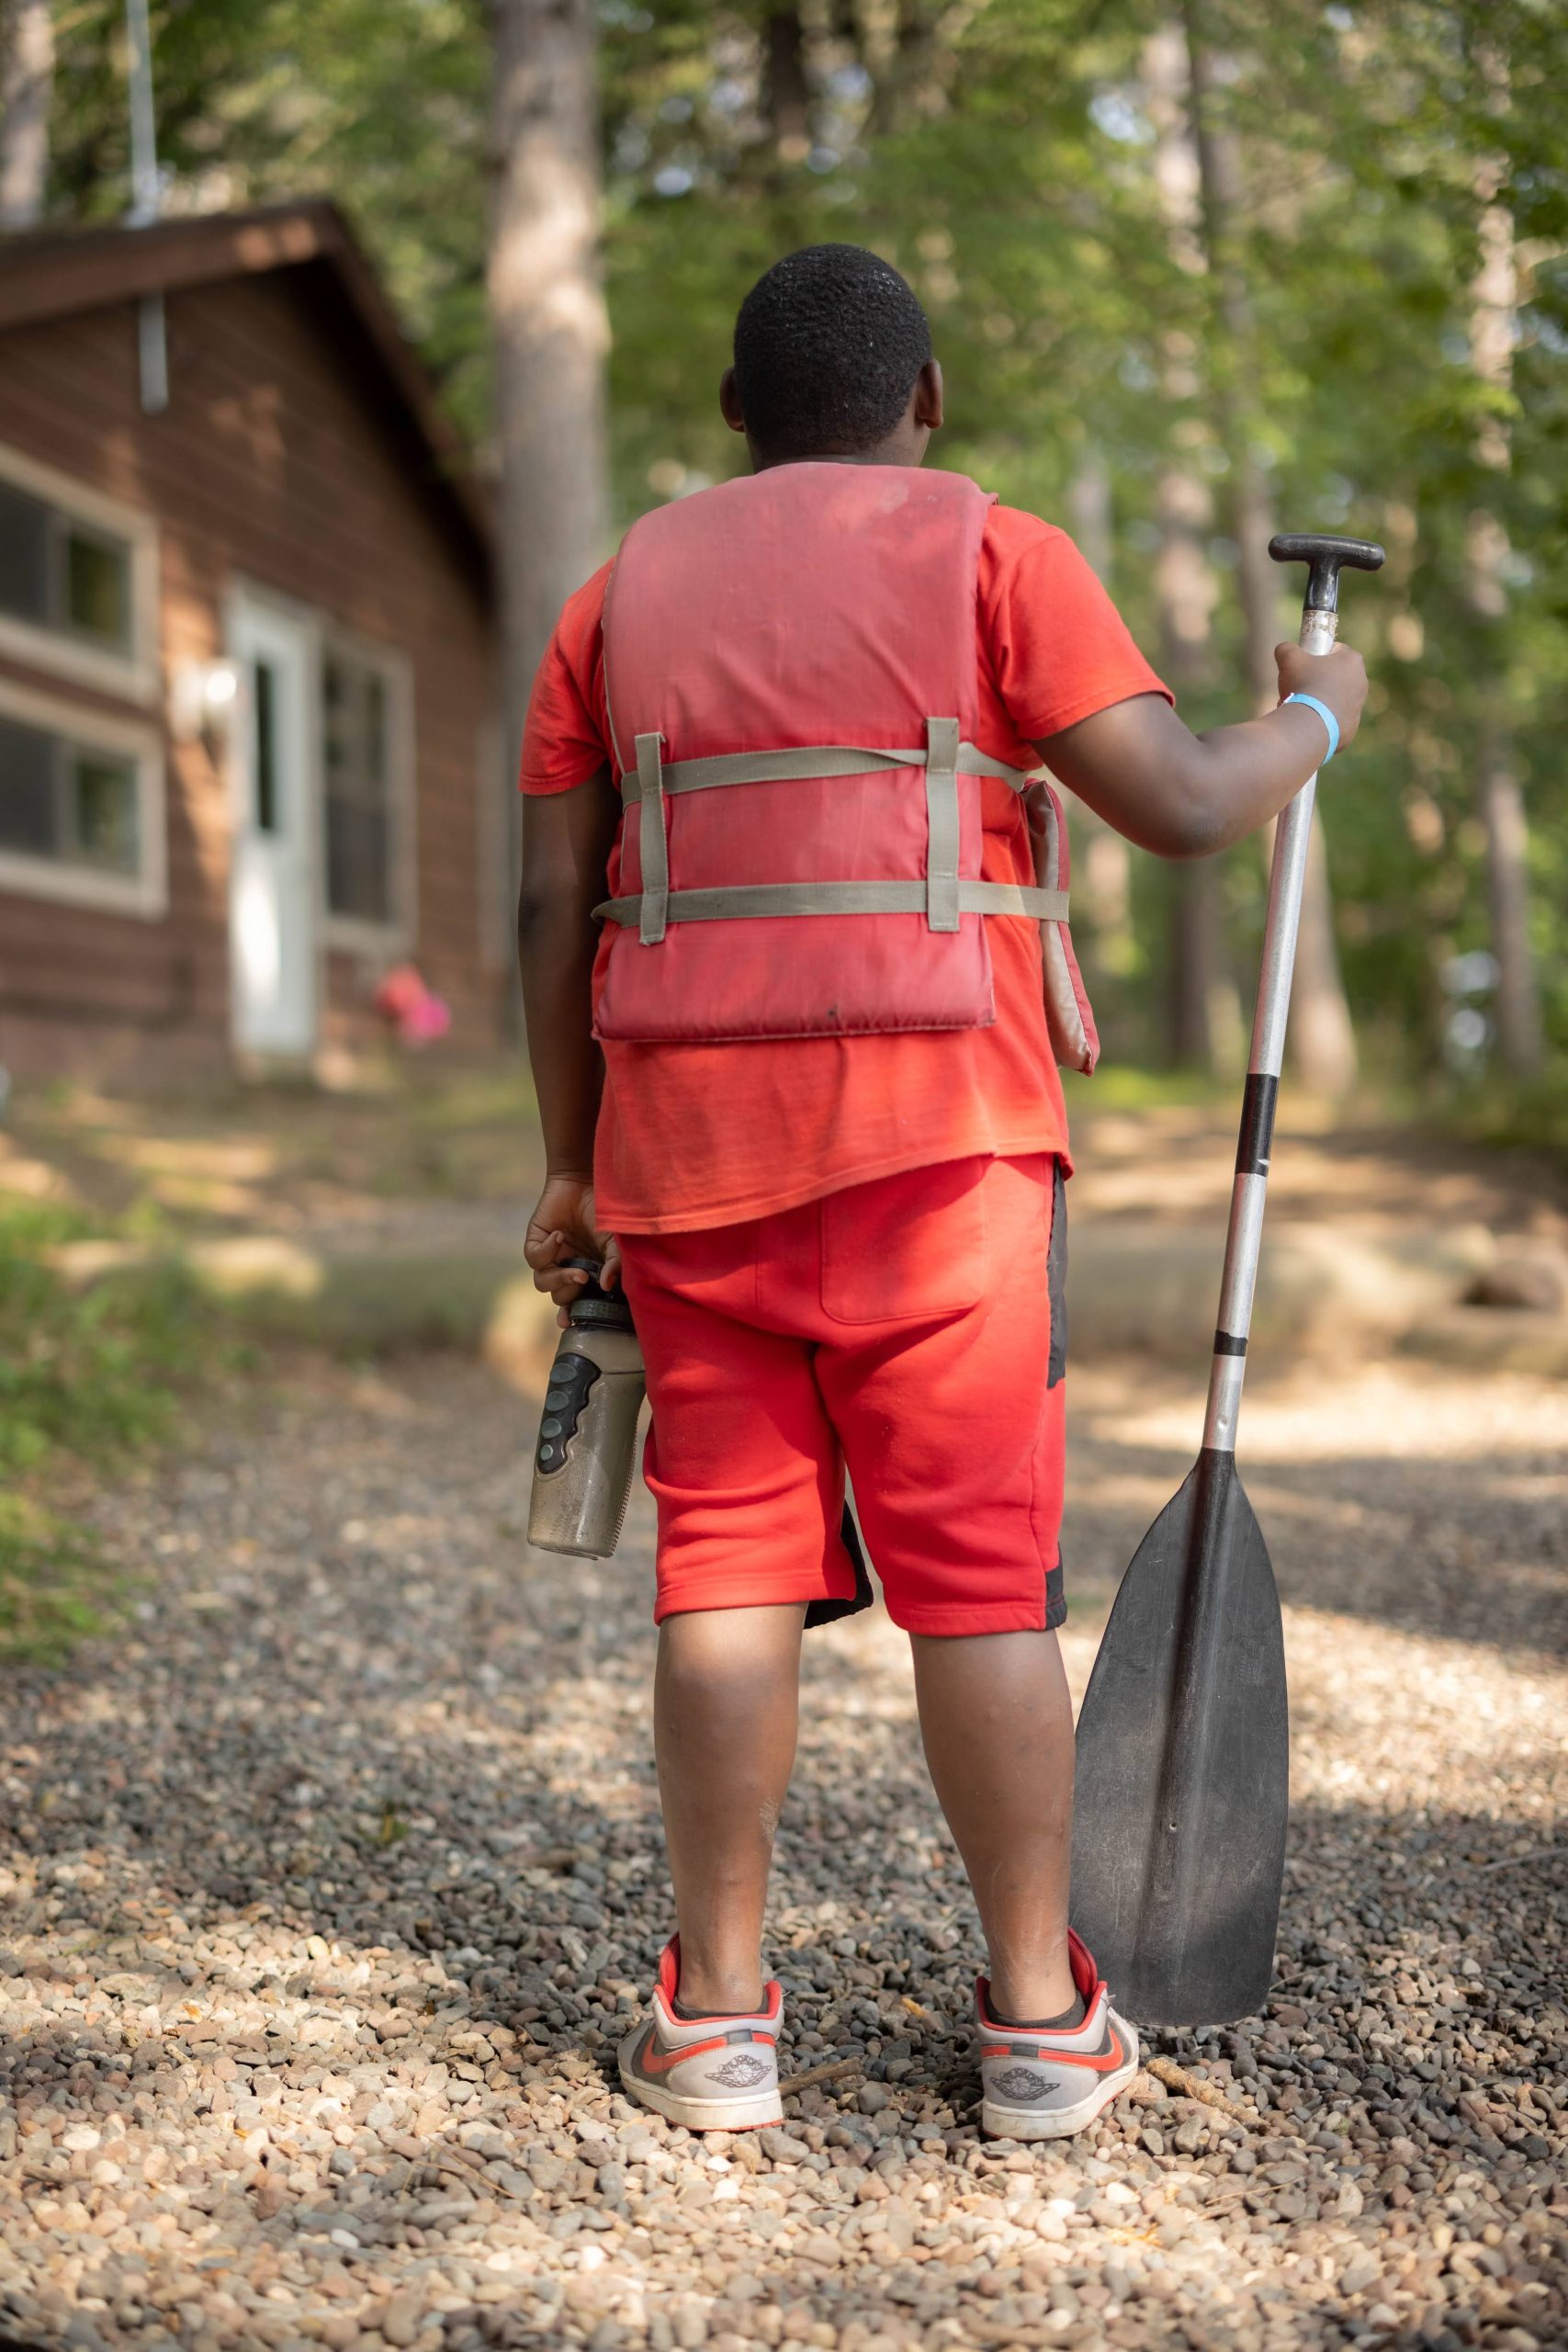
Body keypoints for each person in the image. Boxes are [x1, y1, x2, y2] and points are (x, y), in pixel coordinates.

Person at [516, 243, 1367, 2140]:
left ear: (733, 418)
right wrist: (1317, 712)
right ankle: (1038, 2019)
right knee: (975, 1586)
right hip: (949, 1163)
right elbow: (1184, 798)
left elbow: (545, 903)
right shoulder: (994, 552)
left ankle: (716, 2019)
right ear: (925, 402)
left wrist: (570, 1165)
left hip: (688, 1165)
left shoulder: (613, 595)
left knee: (723, 1566)